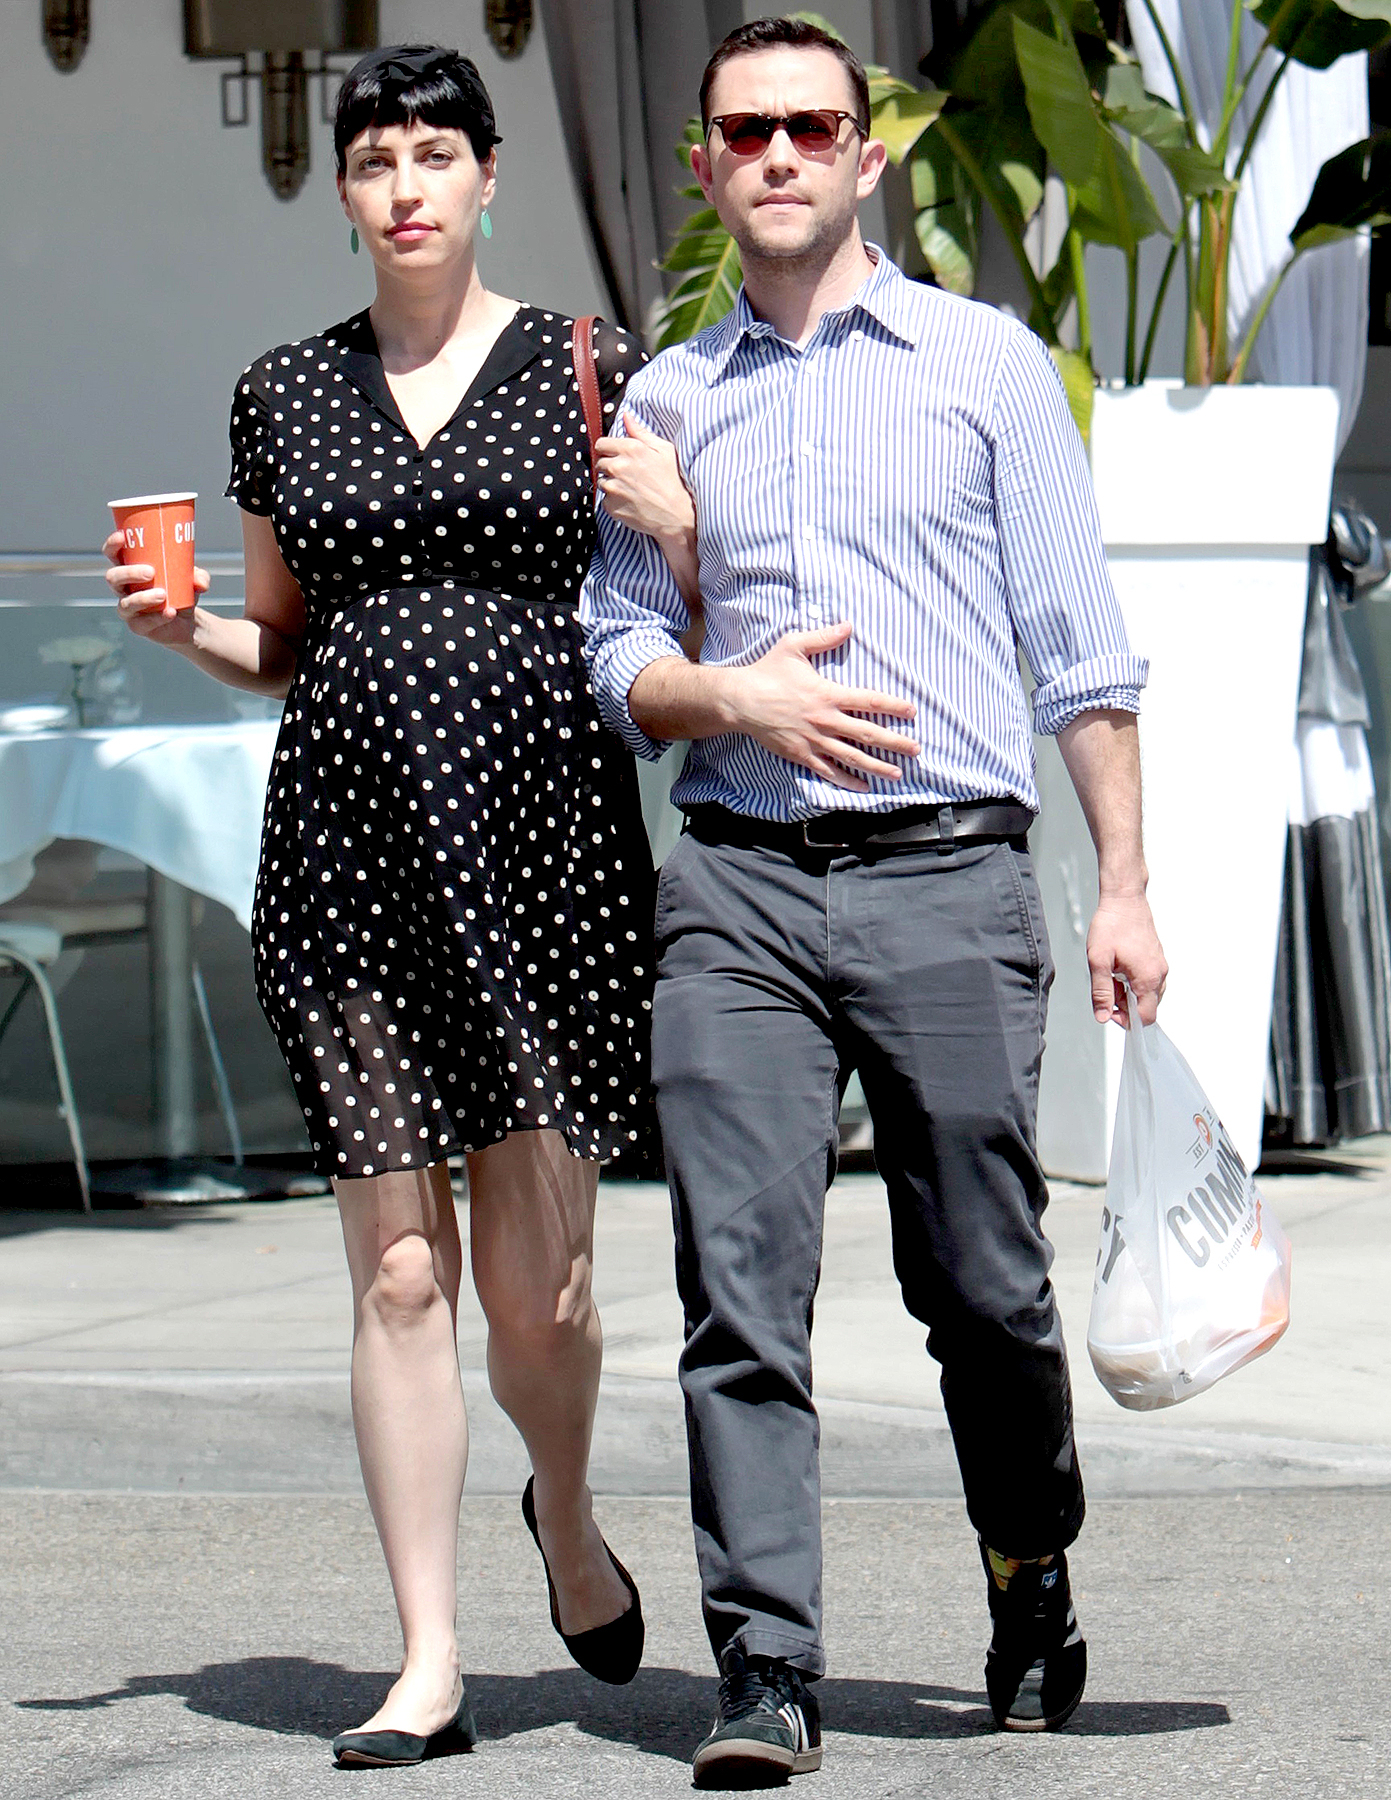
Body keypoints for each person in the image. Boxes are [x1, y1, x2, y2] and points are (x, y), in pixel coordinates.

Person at [580, 15, 1169, 1787]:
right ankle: (764, 1663)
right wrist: (723, 669)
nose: (774, 152)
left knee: (982, 1285)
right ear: (702, 163)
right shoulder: (663, 404)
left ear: (864, 154)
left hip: (946, 878)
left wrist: (1123, 884)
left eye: (807, 125)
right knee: (734, 1283)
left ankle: (1026, 1565)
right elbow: (616, 654)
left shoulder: (984, 365)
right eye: (741, 129)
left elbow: (1080, 650)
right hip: (740, 886)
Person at [104, 44, 698, 1770]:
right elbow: (280, 646)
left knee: (544, 1292)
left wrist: (685, 520)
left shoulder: (590, 362)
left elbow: (677, 595)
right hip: (352, 858)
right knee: (394, 1278)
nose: (407, 183)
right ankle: (427, 1655)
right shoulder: (281, 391)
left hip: (543, 859)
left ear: (488, 175)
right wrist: (180, 631)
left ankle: (566, 1516)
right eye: (377, 160)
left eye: (437, 152)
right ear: (348, 190)